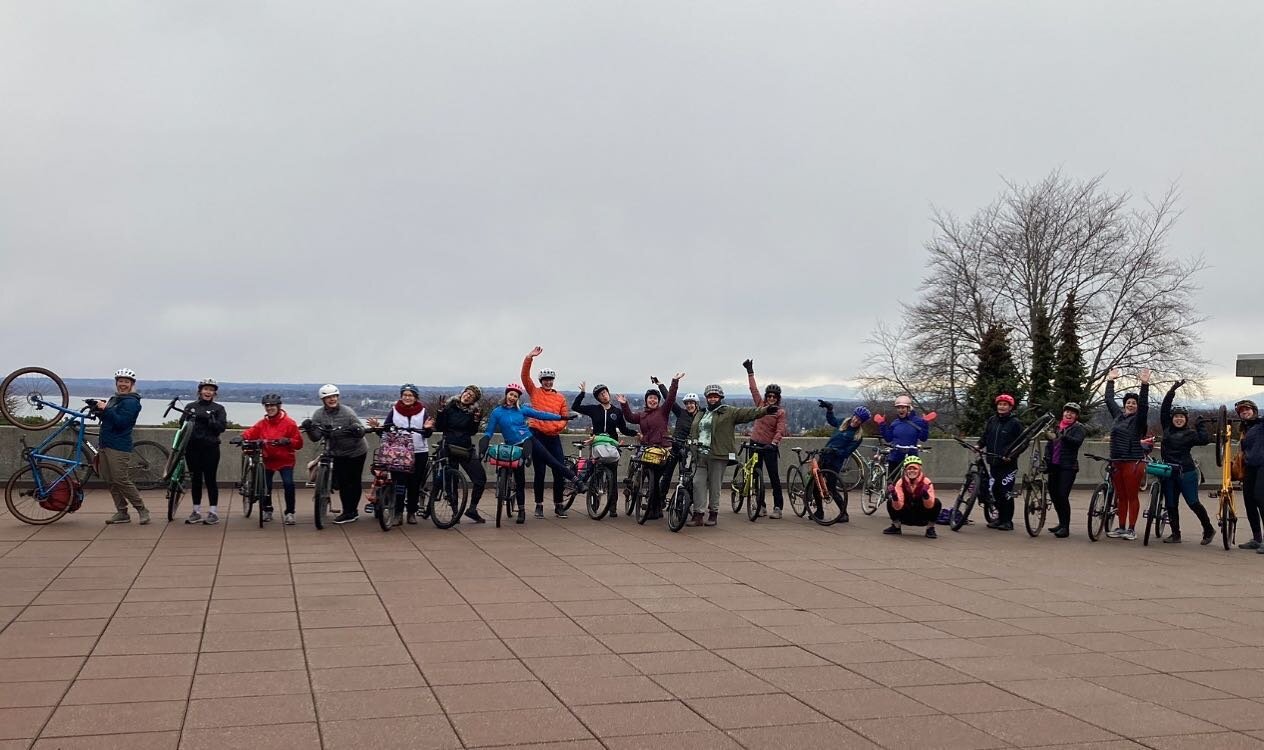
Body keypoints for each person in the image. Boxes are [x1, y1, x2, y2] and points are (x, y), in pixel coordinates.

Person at [479, 383, 577, 524]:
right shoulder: (497, 412)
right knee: (520, 480)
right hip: (512, 446)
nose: (512, 398)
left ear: (518, 398)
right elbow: (488, 432)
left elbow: (541, 415)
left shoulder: (522, 410)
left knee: (553, 461)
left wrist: (562, 417)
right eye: (511, 394)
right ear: (506, 394)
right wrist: (483, 444)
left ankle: (576, 481)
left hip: (529, 441)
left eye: (516, 396)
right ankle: (522, 510)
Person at [688, 384, 777, 527]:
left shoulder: (728, 412)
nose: (712, 399)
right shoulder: (701, 412)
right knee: (697, 483)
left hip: (718, 454)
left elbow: (748, 413)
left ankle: (713, 514)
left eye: (715, 396)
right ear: (706, 398)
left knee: (715, 485)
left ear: (721, 397)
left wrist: (765, 410)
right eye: (710, 396)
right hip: (700, 454)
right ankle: (698, 514)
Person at [1155, 380, 1215, 545]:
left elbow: (1204, 440)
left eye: (1182, 417)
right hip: (1168, 471)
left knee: (1193, 502)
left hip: (1186, 472)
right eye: (1176, 416)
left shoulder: (1190, 433)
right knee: (1171, 504)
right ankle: (1176, 534)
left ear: (1186, 419)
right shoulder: (1167, 427)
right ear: (1172, 418)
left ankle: (1208, 529)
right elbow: (1164, 408)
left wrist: (1200, 426)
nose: (1179, 419)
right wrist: (1172, 390)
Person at [367, 384, 435, 525]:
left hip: (419, 451)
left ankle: (411, 512)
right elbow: (385, 431)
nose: (407, 398)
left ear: (415, 397)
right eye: (405, 395)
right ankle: (398, 513)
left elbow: (427, 434)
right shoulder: (394, 411)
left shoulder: (423, 412)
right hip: (398, 453)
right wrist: (377, 427)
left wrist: (427, 429)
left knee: (414, 484)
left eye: (410, 395)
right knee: (399, 484)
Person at [301, 384, 368, 525]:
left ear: (338, 397)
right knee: (343, 482)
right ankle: (346, 509)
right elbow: (316, 437)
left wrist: (355, 430)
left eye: (334, 396)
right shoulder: (319, 414)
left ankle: (351, 512)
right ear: (323, 400)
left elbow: (361, 430)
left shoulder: (347, 412)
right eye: (328, 397)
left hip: (355, 451)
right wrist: (309, 428)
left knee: (353, 481)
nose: (332, 399)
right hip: (336, 451)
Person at [620, 374, 684, 520]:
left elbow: (671, 398)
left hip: (662, 450)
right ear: (646, 400)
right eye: (650, 398)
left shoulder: (663, 411)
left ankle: (655, 509)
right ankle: (655, 509)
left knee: (655, 481)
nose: (653, 400)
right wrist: (624, 404)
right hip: (647, 450)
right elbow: (630, 417)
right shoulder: (642, 415)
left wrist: (674, 382)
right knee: (652, 481)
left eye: (655, 398)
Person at [92, 368, 150, 525]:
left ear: (132, 384)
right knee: (110, 480)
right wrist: (98, 409)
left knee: (121, 480)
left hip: (119, 446)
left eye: (126, 382)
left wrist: (107, 409)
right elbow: (108, 418)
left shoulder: (132, 402)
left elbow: (122, 423)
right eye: (120, 381)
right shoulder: (114, 399)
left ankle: (142, 510)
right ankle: (122, 512)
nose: (122, 384)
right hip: (105, 443)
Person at [521, 347, 573, 519]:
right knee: (540, 472)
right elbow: (524, 377)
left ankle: (559, 504)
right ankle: (539, 505)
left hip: (553, 437)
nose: (548, 382)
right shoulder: (535, 392)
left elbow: (564, 416)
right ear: (541, 380)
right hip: (537, 434)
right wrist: (529, 357)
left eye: (550, 379)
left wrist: (558, 427)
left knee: (559, 470)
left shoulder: (560, 398)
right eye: (545, 379)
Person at [574, 381, 638, 515]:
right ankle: (594, 503)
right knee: (595, 474)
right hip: (597, 444)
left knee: (612, 478)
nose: (603, 396)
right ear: (597, 398)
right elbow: (576, 406)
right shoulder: (594, 409)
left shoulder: (617, 412)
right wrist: (582, 393)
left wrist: (636, 433)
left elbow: (623, 429)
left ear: (608, 393)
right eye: (600, 395)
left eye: (604, 393)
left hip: (611, 445)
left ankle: (612, 507)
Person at [241, 394, 304, 525]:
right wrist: (241, 437)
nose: (270, 408)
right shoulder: (262, 423)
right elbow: (251, 432)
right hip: (267, 459)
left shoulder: (289, 423)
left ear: (278, 406)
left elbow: (299, 443)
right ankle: (267, 509)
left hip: (285, 460)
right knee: (266, 486)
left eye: (272, 406)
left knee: (288, 484)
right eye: (267, 406)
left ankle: (290, 512)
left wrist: (288, 441)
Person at [1104, 367, 1151, 540]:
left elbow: (1145, 405)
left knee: (1132, 496)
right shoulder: (1118, 416)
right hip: (1117, 460)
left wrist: (1144, 384)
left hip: (1133, 461)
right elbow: (1109, 400)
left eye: (1133, 403)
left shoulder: (1139, 419)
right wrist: (1110, 380)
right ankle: (1121, 527)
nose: (1130, 405)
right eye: (1128, 402)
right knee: (1121, 496)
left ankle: (1131, 529)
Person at [434, 386, 489, 523]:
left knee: (480, 478)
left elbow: (471, 432)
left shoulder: (473, 412)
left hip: (464, 448)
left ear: (474, 400)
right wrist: (440, 412)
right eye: (467, 393)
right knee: (451, 480)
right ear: (462, 393)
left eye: (472, 396)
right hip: (448, 446)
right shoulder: (449, 406)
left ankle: (472, 509)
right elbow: (440, 427)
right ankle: (454, 512)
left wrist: (476, 420)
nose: (468, 396)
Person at [742, 359, 789, 518]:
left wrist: (774, 443)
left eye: (774, 396)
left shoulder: (780, 412)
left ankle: (778, 507)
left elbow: (780, 429)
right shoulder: (760, 405)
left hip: (769, 446)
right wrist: (750, 372)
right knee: (755, 476)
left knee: (774, 477)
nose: (770, 398)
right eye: (769, 396)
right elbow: (753, 389)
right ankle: (760, 506)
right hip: (755, 443)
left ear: (777, 398)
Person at [182, 378, 228, 525]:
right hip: (192, 448)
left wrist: (212, 420)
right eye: (205, 389)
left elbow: (221, 428)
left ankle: (213, 512)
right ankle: (196, 511)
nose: (208, 392)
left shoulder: (219, 408)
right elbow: (182, 425)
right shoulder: (190, 406)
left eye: (211, 389)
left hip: (210, 448)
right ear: (200, 391)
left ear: (215, 393)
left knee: (210, 480)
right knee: (195, 479)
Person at [817, 402, 869, 522]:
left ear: (862, 422)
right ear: (853, 415)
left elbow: (846, 453)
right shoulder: (843, 422)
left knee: (831, 488)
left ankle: (844, 513)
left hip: (835, 462)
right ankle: (819, 511)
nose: (856, 421)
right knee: (817, 484)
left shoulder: (857, 437)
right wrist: (829, 409)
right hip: (824, 456)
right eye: (856, 417)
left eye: (860, 420)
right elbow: (832, 421)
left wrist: (834, 450)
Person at [979, 394, 1024, 531]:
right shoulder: (992, 420)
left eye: (1005, 405)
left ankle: (1007, 521)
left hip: (1008, 464)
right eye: (1000, 404)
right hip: (994, 462)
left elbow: (1023, 442)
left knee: (1006, 492)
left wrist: (1012, 455)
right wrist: (978, 445)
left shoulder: (1015, 423)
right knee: (995, 491)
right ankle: (999, 519)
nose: (1002, 407)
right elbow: (986, 436)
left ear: (1010, 407)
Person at [1044, 402, 1087, 538]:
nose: (1069, 414)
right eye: (1067, 412)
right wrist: (1047, 457)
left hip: (1068, 466)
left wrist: (1063, 436)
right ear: (1063, 413)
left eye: (1072, 413)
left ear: (1076, 416)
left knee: (1062, 495)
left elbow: (1076, 442)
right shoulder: (1056, 426)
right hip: (1054, 465)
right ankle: (1061, 523)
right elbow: (1050, 444)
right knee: (1054, 495)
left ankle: (1065, 527)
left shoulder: (1078, 428)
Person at [873, 395, 933, 480]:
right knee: (894, 483)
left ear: (909, 408)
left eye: (903, 408)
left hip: (911, 457)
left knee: (912, 482)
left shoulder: (918, 421)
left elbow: (923, 438)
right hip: (895, 456)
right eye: (898, 408)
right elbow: (888, 438)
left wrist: (925, 424)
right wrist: (882, 425)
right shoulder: (895, 423)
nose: (900, 410)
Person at [658, 381, 699, 499]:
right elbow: (669, 398)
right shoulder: (681, 412)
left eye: (692, 403)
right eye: (687, 403)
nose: (689, 406)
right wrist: (660, 385)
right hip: (676, 447)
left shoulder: (701, 416)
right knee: (667, 475)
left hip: (689, 450)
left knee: (687, 475)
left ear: (696, 404)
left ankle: (685, 499)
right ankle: (660, 499)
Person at [883, 455, 940, 538]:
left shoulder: (926, 481)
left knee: (937, 502)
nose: (912, 471)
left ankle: (930, 528)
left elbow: (930, 505)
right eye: (909, 469)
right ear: (906, 470)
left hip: (922, 515)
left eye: (915, 468)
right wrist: (895, 496)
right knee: (890, 501)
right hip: (906, 514)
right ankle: (896, 526)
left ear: (919, 469)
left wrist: (925, 495)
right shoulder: (901, 482)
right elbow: (898, 507)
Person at [1236, 399, 1264, 551]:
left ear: (1254, 410)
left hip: (1262, 465)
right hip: (1250, 467)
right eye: (1241, 411)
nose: (1244, 412)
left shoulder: (1261, 424)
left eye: (1247, 409)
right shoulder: (1245, 429)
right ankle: (1257, 538)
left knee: (1261, 499)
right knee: (1249, 501)